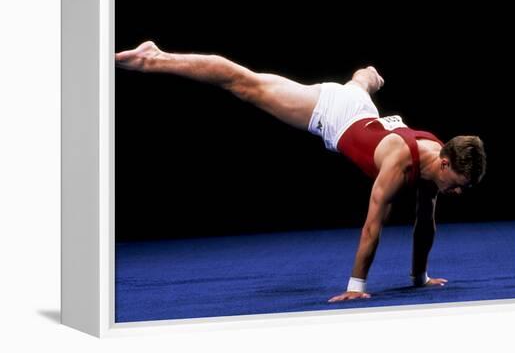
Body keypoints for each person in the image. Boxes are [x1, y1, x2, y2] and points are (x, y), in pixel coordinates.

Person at [115, 41, 487, 302]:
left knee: (359, 85)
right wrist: (356, 286)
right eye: (457, 184)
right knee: (245, 84)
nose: (457, 192)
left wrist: (420, 278)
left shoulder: (439, 155)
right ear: (444, 163)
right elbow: (373, 225)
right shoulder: (400, 161)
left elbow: (425, 223)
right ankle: (154, 57)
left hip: (362, 109)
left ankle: (367, 77)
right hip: (332, 113)